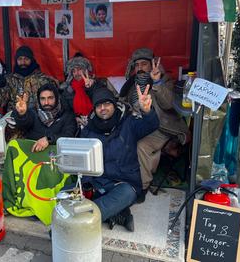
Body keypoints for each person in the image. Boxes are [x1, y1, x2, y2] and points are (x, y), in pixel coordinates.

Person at [80, 87, 160, 231]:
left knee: (126, 194)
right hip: (97, 182)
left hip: (123, 182)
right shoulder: (88, 130)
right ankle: (118, 214)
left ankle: (78, 224)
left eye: (107, 104)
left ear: (114, 105)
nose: (103, 108)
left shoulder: (128, 122)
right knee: (68, 194)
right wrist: (86, 185)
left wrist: (147, 111)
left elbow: (151, 125)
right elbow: (83, 162)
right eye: (98, 106)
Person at [120, 48, 189, 191]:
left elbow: (168, 104)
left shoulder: (164, 80)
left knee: (141, 146)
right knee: (119, 140)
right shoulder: (132, 85)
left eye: (144, 64)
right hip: (139, 124)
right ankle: (123, 179)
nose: (140, 68)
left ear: (152, 65)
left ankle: (142, 186)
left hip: (162, 127)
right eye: (137, 65)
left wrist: (157, 83)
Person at [11, 83, 77, 152]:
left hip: (57, 156)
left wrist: (49, 139)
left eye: (50, 98)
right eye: (42, 99)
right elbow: (23, 125)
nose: (46, 103)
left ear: (57, 98)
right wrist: (22, 114)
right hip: (33, 155)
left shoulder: (67, 115)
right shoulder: (33, 112)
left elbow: (69, 137)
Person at [0, 46, 58, 113]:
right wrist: (1, 87)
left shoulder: (42, 80)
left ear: (31, 60)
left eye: (26, 59)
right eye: (20, 59)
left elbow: (52, 104)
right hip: (14, 117)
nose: (23, 62)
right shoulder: (9, 79)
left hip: (36, 117)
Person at [60, 54, 118, 128]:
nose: (76, 73)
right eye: (73, 71)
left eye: (79, 69)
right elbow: (65, 109)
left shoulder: (98, 84)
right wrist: (74, 118)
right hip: (76, 125)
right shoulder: (68, 90)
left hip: (97, 123)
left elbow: (104, 100)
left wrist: (91, 87)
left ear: (86, 70)